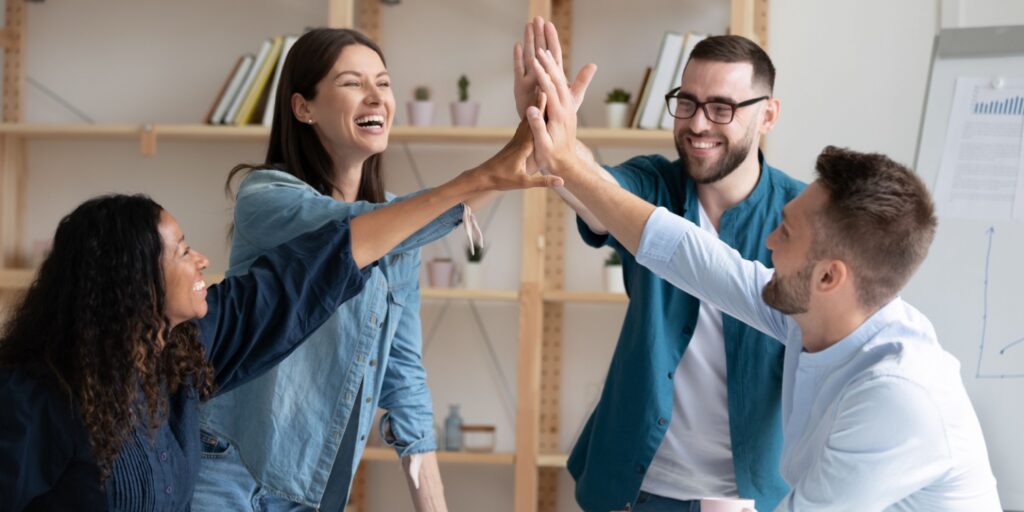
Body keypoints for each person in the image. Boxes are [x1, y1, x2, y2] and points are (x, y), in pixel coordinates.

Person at [523, 44, 1003, 510]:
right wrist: (562, 156)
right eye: (687, 103)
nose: (768, 243)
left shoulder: (898, 395)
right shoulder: (809, 316)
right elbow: (689, 256)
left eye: (786, 234)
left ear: (829, 278)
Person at [0, 113, 556, 510]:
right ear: (128, 280)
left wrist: (486, 177)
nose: (203, 260)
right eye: (181, 249)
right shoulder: (38, 396)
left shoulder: (189, 349)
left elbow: (314, 269)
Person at [193, 28, 534, 511]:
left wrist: (433, 503)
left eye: (385, 82)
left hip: (311, 482)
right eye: (353, 83)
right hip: (227, 465)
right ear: (303, 107)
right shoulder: (266, 198)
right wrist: (498, 167)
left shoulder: (398, 229)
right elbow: (348, 235)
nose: (377, 96)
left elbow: (404, 376)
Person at [513, 18, 802, 510]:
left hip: (751, 498)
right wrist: (553, 136)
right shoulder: (654, 184)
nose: (696, 123)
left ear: (768, 116)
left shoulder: (802, 218)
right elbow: (596, 191)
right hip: (638, 490)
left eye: (721, 107)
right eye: (686, 102)